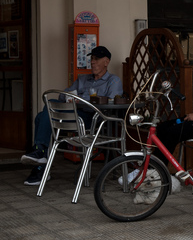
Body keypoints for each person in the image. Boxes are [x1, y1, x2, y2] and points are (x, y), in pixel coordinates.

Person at [21, 46, 123, 186]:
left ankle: (40, 163)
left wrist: (81, 99)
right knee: (50, 104)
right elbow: (63, 94)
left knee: (40, 117)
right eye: (92, 59)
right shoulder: (83, 79)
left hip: (92, 118)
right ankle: (40, 156)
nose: (92, 62)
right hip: (73, 115)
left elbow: (111, 101)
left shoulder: (113, 80)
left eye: (96, 59)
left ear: (106, 62)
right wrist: (70, 98)